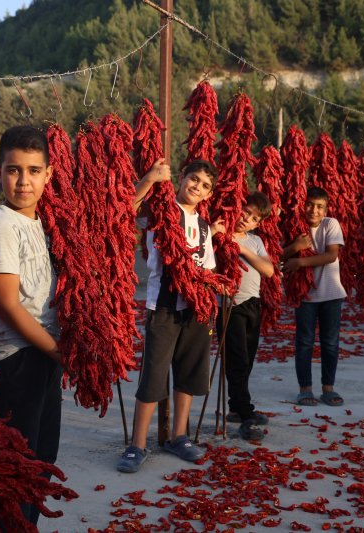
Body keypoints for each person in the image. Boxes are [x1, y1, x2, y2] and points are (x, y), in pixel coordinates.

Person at [117, 159, 223, 474]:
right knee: (153, 375)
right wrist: (150, 177)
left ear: (208, 194)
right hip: (163, 307)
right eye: (193, 179)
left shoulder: (203, 225)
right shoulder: (162, 210)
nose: (197, 187)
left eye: (205, 185)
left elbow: (207, 268)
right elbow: (126, 208)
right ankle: (137, 444)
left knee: (189, 372)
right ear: (181, 178)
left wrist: (213, 285)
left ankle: (179, 436)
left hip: (196, 308)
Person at [0, 125, 61, 525]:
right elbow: (9, 305)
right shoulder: (2, 225)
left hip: (43, 354)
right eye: (14, 170)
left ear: (48, 174)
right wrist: (57, 351)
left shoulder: (40, 222)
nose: (24, 181)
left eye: (33, 170)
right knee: (18, 468)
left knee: (40, 461)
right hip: (17, 360)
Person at [281, 186, 347, 407]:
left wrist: (299, 261)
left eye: (319, 206)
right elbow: (278, 254)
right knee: (304, 342)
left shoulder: (331, 224)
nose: (314, 210)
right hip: (306, 295)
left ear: (326, 208)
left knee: (330, 343)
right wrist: (295, 247)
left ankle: (328, 388)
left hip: (331, 294)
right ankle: (305, 389)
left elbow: (331, 255)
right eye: (309, 205)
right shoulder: (294, 227)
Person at [218, 192, 275, 440]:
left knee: (248, 359)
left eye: (253, 218)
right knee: (237, 361)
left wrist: (241, 249)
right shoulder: (221, 235)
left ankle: (235, 409)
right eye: (245, 212)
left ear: (257, 224)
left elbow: (269, 270)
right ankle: (246, 415)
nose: (246, 219)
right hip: (230, 307)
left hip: (253, 304)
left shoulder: (255, 242)